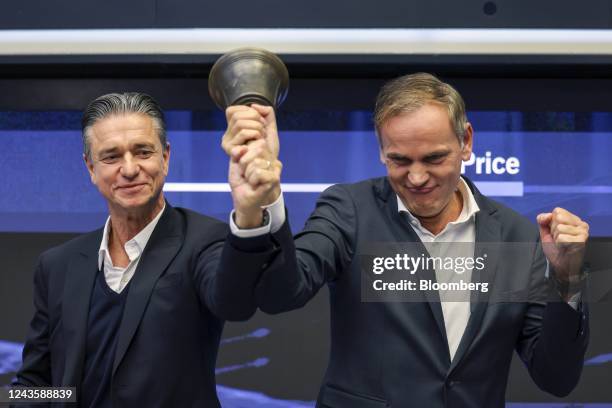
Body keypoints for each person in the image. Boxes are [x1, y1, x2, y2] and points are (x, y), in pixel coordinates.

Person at [223, 73, 590, 407]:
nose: (416, 177)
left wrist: (566, 277)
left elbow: (555, 377)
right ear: (381, 149)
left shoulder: (515, 235)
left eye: (433, 158)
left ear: (466, 142)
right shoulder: (349, 209)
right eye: (399, 160)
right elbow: (282, 292)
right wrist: (266, 199)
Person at [13, 92, 280, 407]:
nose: (129, 169)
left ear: (165, 158)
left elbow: (234, 302)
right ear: (90, 168)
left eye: (143, 152)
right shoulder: (57, 265)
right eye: (111, 156)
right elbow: (38, 382)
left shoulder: (204, 240)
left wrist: (249, 213)